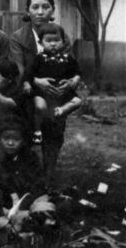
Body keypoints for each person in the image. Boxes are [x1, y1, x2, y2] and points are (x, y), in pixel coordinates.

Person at [9, 0, 78, 181]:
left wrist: (66, 83)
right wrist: (36, 81)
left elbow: (69, 66)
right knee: (23, 126)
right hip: (28, 90)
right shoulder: (18, 37)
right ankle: (23, 172)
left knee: (55, 124)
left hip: (55, 92)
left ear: (53, 10)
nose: (40, 12)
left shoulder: (61, 36)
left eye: (45, 7)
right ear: (27, 11)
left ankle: (48, 174)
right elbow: (18, 69)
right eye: (35, 7)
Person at [28, 23, 82, 176]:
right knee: (40, 106)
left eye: (56, 40)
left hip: (62, 94)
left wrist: (74, 80)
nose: (53, 44)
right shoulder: (39, 58)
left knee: (77, 102)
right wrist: (37, 80)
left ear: (63, 41)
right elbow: (29, 74)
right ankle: (37, 130)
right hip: (43, 93)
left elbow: (77, 72)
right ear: (41, 43)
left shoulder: (67, 58)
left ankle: (62, 110)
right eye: (48, 40)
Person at [0, 113, 44, 204]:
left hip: (27, 201)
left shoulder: (31, 158)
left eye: (16, 139)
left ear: (23, 141)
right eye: (6, 138)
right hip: (4, 203)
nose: (10, 143)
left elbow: (37, 183)